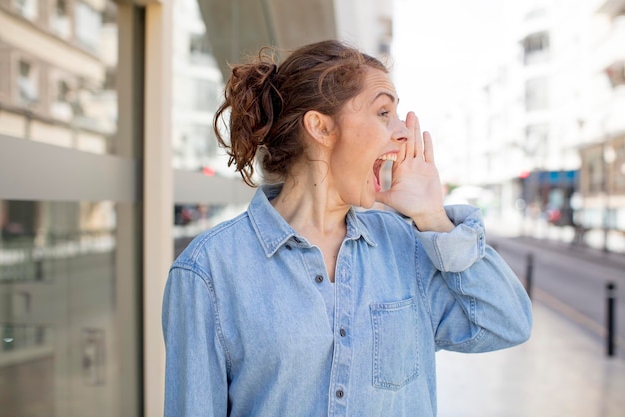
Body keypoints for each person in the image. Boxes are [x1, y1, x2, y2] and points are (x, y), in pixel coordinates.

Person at [162, 40, 532, 417]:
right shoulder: (208, 271)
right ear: (320, 127)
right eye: (384, 112)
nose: (404, 132)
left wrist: (434, 218)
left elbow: (507, 323)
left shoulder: (407, 245)